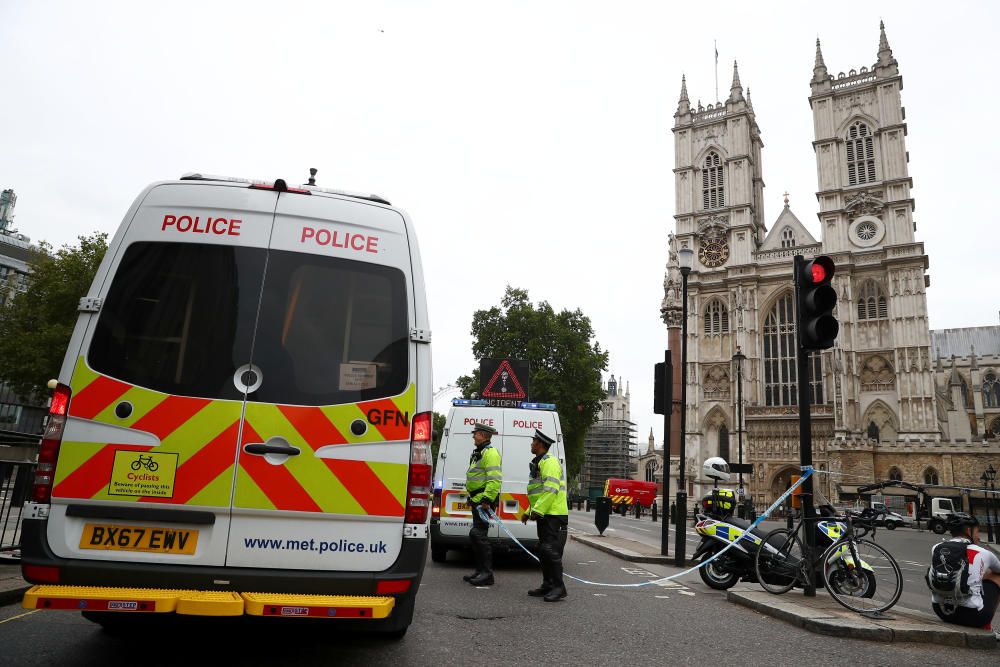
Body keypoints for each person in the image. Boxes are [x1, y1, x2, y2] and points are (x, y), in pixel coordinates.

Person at [928, 512, 1000, 631]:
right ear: (968, 531)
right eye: (977, 532)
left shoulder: (937, 547)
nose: (979, 537)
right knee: (997, 576)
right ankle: (987, 629)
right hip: (974, 617)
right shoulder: (983, 552)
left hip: (941, 611)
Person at [521, 428, 569, 602]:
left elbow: (550, 489)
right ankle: (548, 584)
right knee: (543, 549)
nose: (531, 443)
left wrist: (537, 511)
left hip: (553, 513)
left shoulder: (549, 462)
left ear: (540, 443)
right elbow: (538, 492)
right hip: (545, 512)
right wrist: (528, 512)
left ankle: (559, 587)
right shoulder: (539, 462)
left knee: (549, 550)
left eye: (533, 441)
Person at [463, 422, 502, 587]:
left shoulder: (490, 453)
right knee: (476, 536)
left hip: (483, 502)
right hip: (478, 500)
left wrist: (486, 500)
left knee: (479, 535)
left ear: (484, 436)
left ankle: (487, 574)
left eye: (476, 433)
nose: (473, 436)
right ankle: (480, 571)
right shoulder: (479, 452)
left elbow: (494, 479)